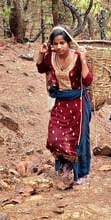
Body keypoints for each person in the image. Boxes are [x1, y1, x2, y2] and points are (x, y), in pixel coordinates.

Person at [36, 26, 93, 186]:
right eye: (55, 43)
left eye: (62, 43)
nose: (59, 47)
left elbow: (88, 81)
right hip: (60, 102)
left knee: (79, 140)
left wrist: (83, 60)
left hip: (78, 103)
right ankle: (66, 164)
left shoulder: (78, 56)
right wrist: (41, 53)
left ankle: (81, 172)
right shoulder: (51, 56)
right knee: (55, 138)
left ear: (69, 43)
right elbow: (41, 69)